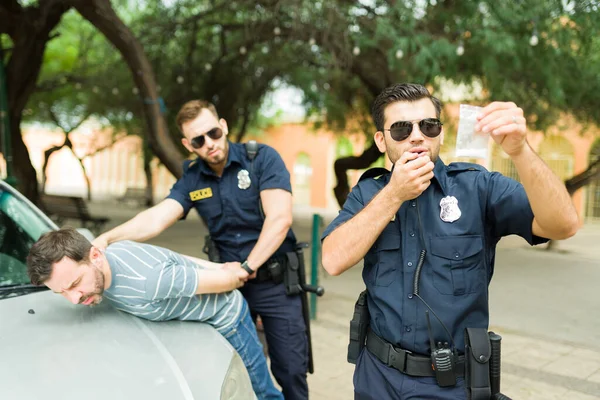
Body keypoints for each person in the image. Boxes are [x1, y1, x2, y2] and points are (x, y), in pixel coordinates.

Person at [321, 83, 580, 399]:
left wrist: (519, 150)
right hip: (377, 377)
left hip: (450, 385)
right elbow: (332, 260)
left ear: (440, 133)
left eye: (428, 126)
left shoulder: (477, 186)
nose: (417, 136)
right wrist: (393, 194)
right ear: (381, 140)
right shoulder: (369, 193)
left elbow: (564, 225)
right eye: (401, 129)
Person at [93, 100, 309, 399]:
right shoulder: (193, 177)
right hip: (227, 287)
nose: (209, 144)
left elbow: (280, 218)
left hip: (274, 283)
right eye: (198, 140)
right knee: (235, 368)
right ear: (188, 144)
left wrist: (247, 267)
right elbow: (157, 218)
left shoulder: (260, 159)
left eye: (213, 133)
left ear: (223, 126)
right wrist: (106, 238)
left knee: (291, 369)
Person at [26, 227, 283, 400]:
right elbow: (176, 259)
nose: (74, 299)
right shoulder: (100, 271)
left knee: (260, 389)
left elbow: (228, 283)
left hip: (228, 320)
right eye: (61, 293)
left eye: (74, 285)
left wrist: (230, 273)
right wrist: (219, 267)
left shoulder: (151, 280)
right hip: (193, 326)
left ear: (95, 255)